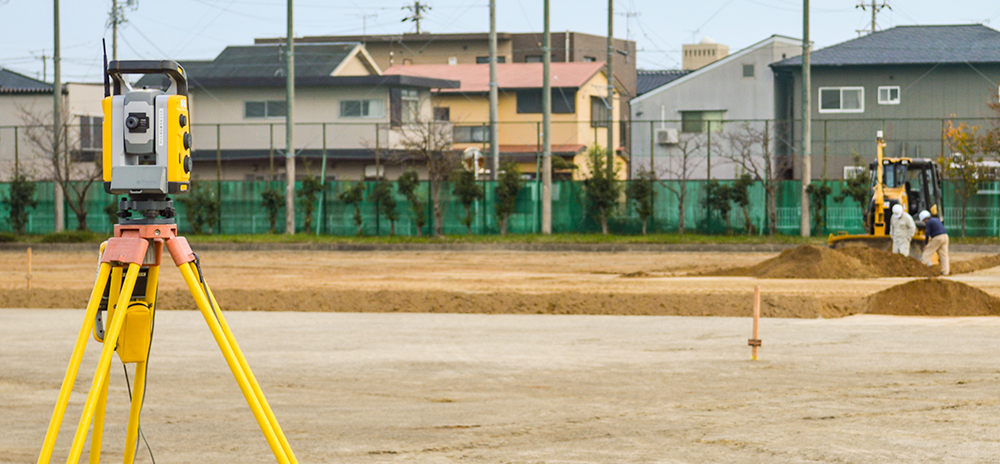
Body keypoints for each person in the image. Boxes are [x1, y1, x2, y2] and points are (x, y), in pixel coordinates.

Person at [918, 210, 949, 275]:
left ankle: (921, 268)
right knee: (943, 255)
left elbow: (927, 233)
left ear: (925, 219)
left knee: (927, 251)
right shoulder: (936, 219)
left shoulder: (928, 222)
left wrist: (926, 244)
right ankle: (945, 271)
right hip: (945, 236)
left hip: (937, 237)